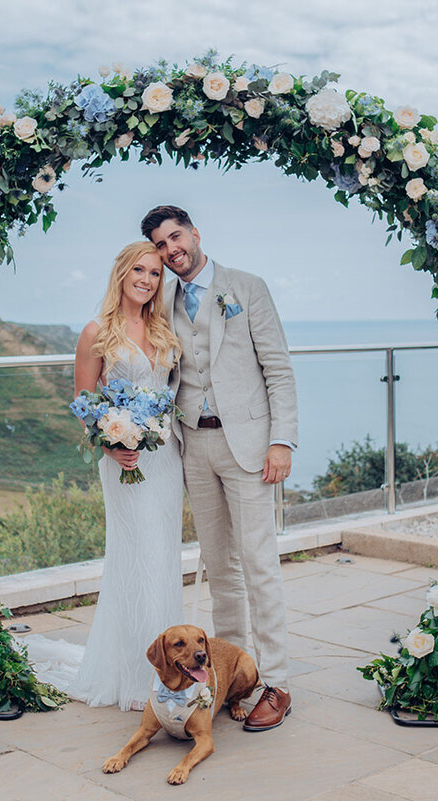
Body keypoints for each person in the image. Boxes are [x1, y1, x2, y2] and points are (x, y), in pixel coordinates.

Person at [142, 205, 299, 731]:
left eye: (176, 237)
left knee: (258, 564)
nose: (170, 251)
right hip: (195, 446)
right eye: (161, 246)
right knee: (220, 568)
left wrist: (281, 442)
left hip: (250, 447)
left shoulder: (246, 287)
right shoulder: (160, 300)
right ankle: (234, 680)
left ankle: (276, 682)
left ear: (194, 234)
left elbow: (278, 368)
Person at [24, 241, 186, 711]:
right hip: (124, 461)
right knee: (133, 557)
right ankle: (132, 676)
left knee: (163, 558)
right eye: (139, 269)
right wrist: (113, 444)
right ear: (121, 273)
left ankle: (169, 671)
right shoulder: (97, 331)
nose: (147, 279)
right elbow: (83, 402)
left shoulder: (162, 327)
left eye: (156, 273)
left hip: (165, 457)